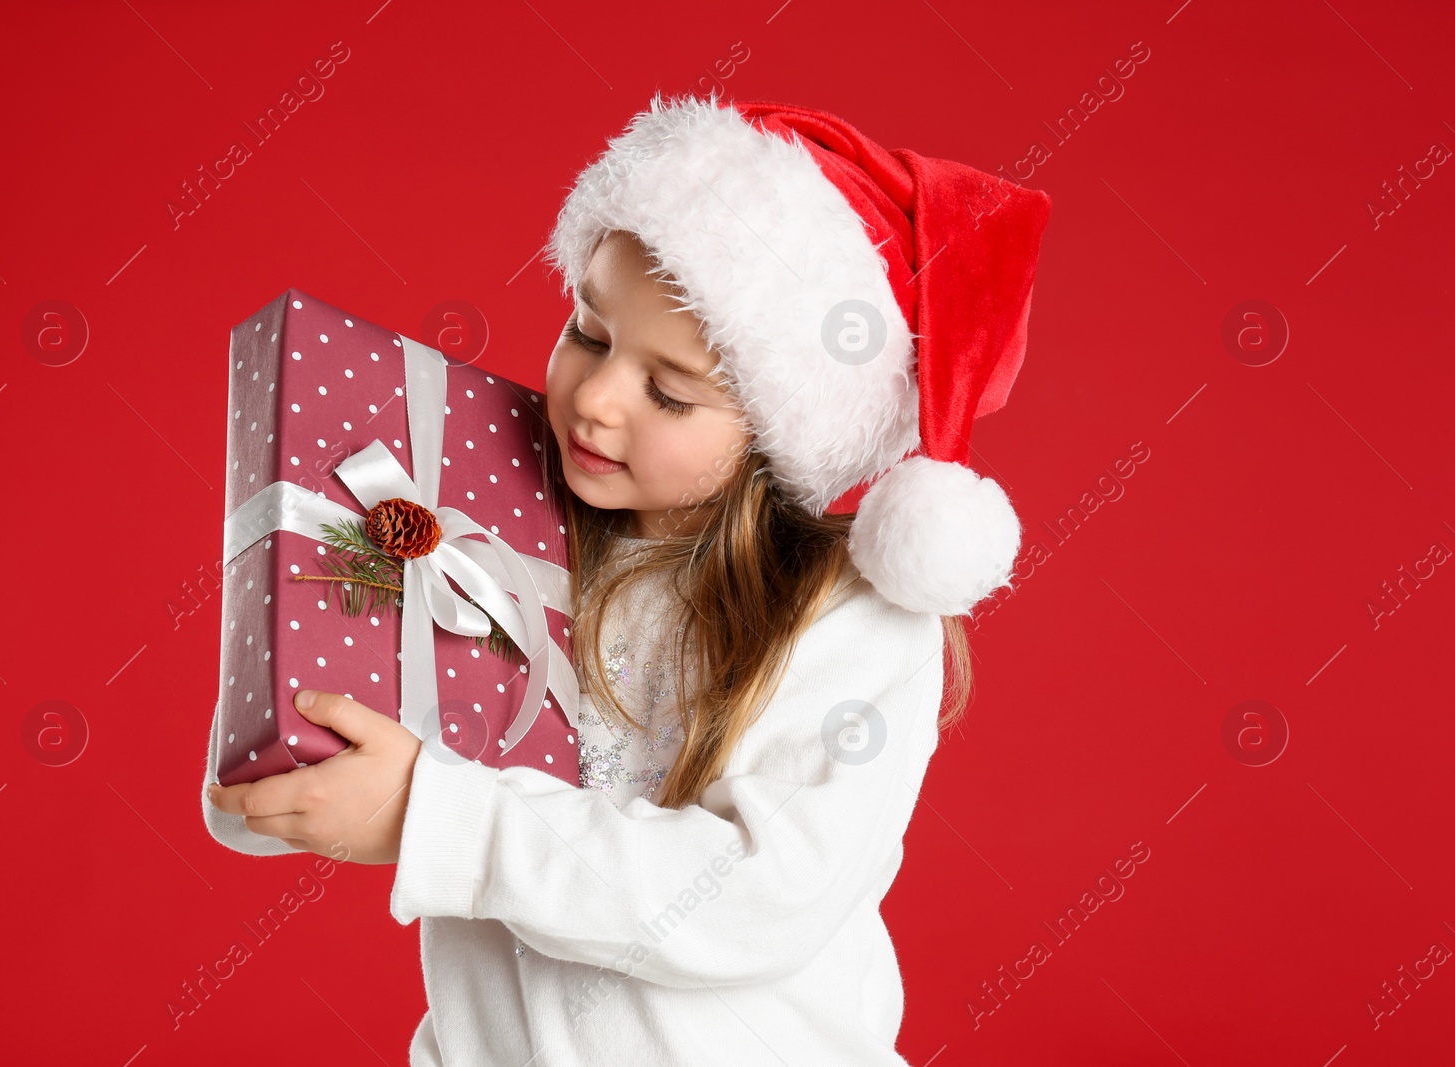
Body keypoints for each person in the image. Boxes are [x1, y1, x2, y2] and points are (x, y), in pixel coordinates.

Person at [204, 92, 1051, 1064]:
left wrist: (436, 817)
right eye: (589, 333)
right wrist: (281, 744)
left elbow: (755, 892)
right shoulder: (490, 519)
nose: (598, 400)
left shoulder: (850, 617)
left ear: (779, 432)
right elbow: (300, 783)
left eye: (668, 390)